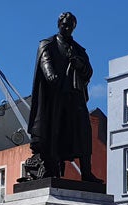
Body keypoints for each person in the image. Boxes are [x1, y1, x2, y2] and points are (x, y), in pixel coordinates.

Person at [25, 11, 100, 183]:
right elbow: (45, 61)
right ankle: (50, 169)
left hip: (75, 96)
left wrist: (79, 64)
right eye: (64, 24)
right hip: (54, 97)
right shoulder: (47, 44)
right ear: (58, 24)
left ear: (74, 27)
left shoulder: (79, 50)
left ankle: (86, 173)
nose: (66, 27)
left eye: (70, 25)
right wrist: (51, 74)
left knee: (83, 131)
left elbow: (89, 72)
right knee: (53, 132)